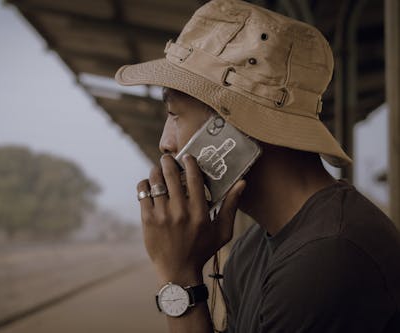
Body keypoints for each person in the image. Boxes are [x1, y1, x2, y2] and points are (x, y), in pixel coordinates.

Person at [115, 1, 400, 332]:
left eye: (175, 114)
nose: (165, 143)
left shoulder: (329, 256)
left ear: (235, 127)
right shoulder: (253, 247)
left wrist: (179, 278)